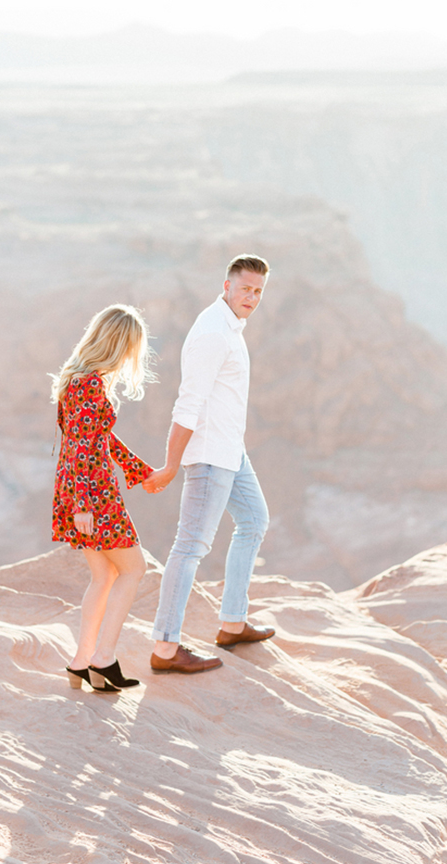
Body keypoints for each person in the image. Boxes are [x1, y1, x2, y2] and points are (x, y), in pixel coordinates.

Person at [143, 254, 274, 674]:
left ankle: (233, 622)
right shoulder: (213, 333)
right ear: (226, 286)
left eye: (258, 291)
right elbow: (190, 404)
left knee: (254, 520)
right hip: (208, 457)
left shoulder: (231, 328)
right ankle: (165, 647)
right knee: (190, 547)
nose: (251, 297)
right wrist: (169, 465)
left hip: (231, 452)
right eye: (245, 288)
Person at [51, 304, 154, 692]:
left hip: (80, 486)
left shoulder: (74, 378)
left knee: (104, 574)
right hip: (92, 491)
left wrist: (138, 471)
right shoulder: (90, 383)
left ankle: (81, 660)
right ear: (120, 344)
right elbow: (80, 447)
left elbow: (98, 439)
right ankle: (103, 658)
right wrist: (83, 505)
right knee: (133, 569)